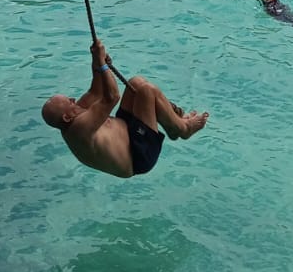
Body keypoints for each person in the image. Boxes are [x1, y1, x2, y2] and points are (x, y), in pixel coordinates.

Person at [41, 38, 208, 177]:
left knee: (136, 83)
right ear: (66, 117)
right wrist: (103, 65)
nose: (73, 99)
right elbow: (112, 97)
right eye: (69, 102)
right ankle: (183, 128)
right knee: (147, 91)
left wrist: (96, 60)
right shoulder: (78, 129)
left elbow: (97, 91)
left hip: (127, 129)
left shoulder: (76, 112)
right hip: (138, 156)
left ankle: (172, 126)